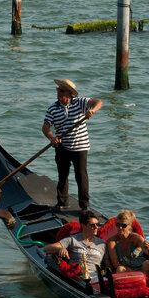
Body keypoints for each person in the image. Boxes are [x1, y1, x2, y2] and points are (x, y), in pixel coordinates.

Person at [42, 77, 103, 213]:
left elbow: (99, 102)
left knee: (81, 176)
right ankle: (62, 203)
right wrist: (52, 138)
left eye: (62, 90)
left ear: (69, 93)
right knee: (62, 175)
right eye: (58, 90)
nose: (58, 92)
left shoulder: (80, 102)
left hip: (80, 146)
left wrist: (92, 110)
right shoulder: (53, 108)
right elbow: (45, 128)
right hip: (62, 146)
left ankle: (84, 206)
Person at [43, 211, 107, 278]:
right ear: (83, 225)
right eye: (92, 225)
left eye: (97, 224)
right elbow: (46, 249)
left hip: (97, 276)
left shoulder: (102, 243)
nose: (96, 227)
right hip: (79, 276)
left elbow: (108, 265)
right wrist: (60, 248)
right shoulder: (72, 240)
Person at [106, 210, 149, 275]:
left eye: (124, 225)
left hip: (140, 268)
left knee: (148, 263)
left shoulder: (136, 238)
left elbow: (148, 252)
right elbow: (115, 264)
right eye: (118, 225)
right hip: (126, 270)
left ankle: (145, 282)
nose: (120, 228)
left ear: (130, 225)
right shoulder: (112, 241)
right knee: (120, 269)